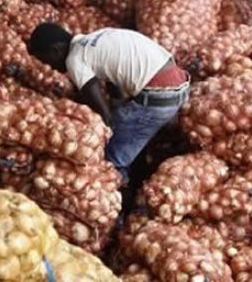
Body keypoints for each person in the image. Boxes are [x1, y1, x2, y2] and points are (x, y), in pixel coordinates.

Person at [28, 23, 190, 183]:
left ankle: (120, 195)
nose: (50, 67)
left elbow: (104, 114)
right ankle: (139, 171)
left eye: (46, 60)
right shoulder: (95, 38)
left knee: (110, 157)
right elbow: (113, 81)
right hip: (179, 84)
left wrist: (96, 134)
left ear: (56, 50)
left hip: (158, 97)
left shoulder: (74, 59)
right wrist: (117, 106)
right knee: (126, 125)